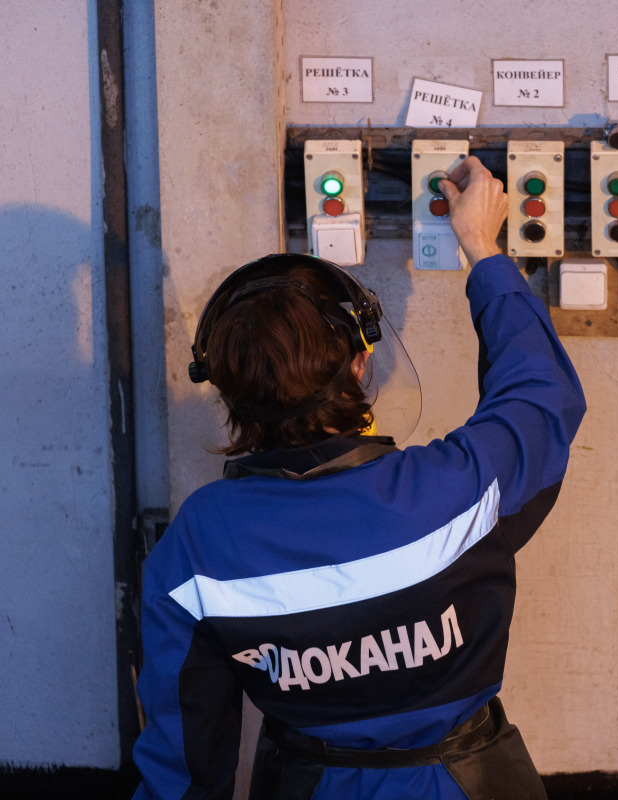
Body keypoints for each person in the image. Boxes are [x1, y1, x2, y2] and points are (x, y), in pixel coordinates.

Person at [132, 156, 586, 800]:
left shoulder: (197, 546)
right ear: (360, 364)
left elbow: (184, 764)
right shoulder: (455, 488)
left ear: (229, 394)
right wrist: (482, 248)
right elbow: (540, 396)